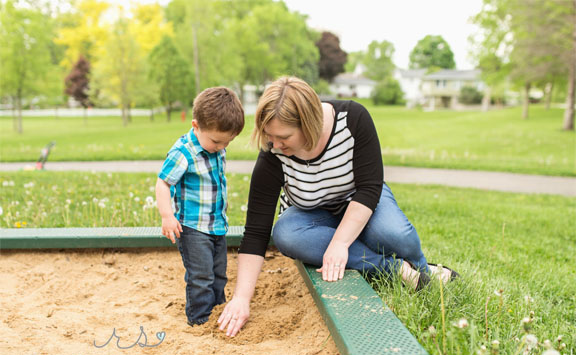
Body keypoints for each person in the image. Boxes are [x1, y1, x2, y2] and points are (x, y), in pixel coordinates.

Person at [217, 76, 458, 338]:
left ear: (309, 123)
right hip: (312, 219)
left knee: (393, 235)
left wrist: (341, 243)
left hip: (361, 203)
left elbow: (369, 187)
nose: (275, 145)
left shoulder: (353, 119)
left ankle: (423, 270)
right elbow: (256, 233)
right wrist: (241, 298)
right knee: (285, 234)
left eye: (284, 137)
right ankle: (395, 269)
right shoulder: (273, 154)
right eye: (269, 136)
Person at [156, 87, 244, 326]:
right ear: (196, 126)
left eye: (228, 142)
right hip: (193, 228)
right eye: (217, 141)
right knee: (201, 276)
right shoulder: (184, 152)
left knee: (218, 274)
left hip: (216, 225)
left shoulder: (215, 145)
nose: (221, 146)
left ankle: (218, 311)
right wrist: (167, 215)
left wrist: (218, 143)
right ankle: (200, 320)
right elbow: (163, 183)